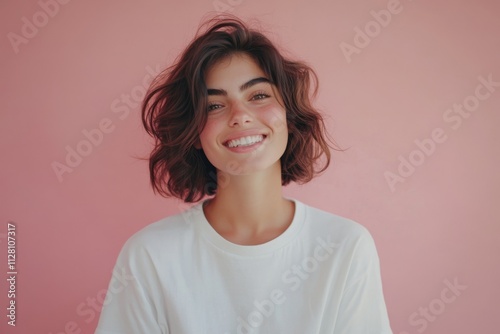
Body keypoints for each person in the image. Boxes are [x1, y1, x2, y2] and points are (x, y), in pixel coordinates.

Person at [95, 15, 393, 334]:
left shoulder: (345, 246)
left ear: (289, 115)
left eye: (258, 96)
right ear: (194, 133)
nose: (240, 117)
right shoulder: (150, 256)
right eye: (214, 106)